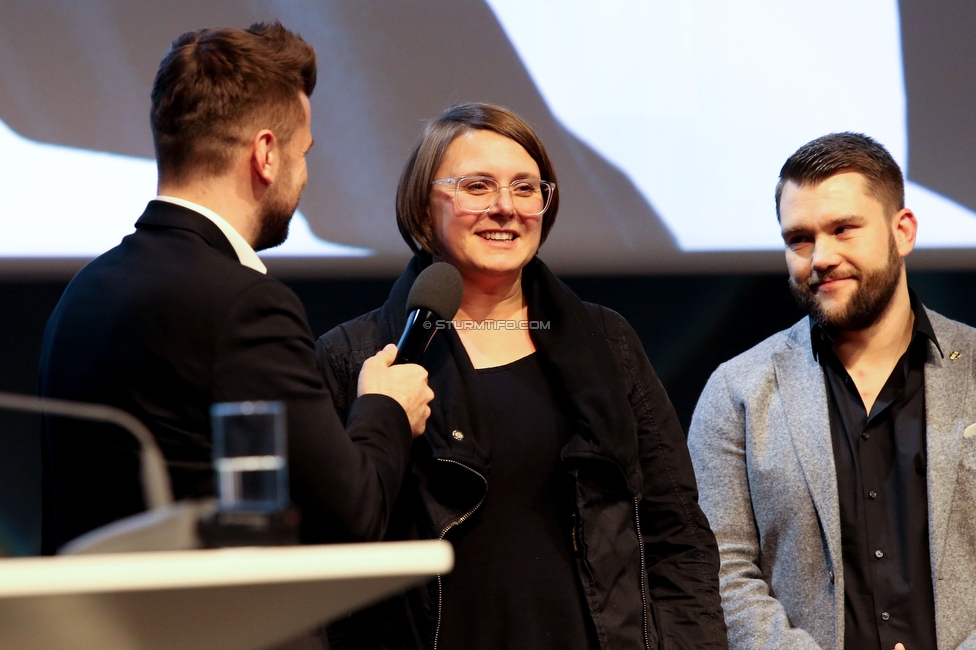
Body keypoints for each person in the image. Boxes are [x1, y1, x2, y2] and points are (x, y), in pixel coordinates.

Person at [316, 103, 727, 650]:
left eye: (526, 188)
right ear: (423, 206)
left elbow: (676, 533)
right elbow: (324, 559)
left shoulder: (606, 342)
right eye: (478, 186)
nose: (505, 208)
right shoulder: (357, 357)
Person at [38, 22, 433, 553]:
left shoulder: (83, 292)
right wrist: (385, 407)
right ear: (266, 154)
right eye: (304, 153)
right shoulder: (244, 304)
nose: (305, 176)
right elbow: (352, 515)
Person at [687, 133, 976, 650]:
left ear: (902, 230)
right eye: (799, 238)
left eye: (844, 229)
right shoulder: (737, 392)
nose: (821, 256)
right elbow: (719, 567)